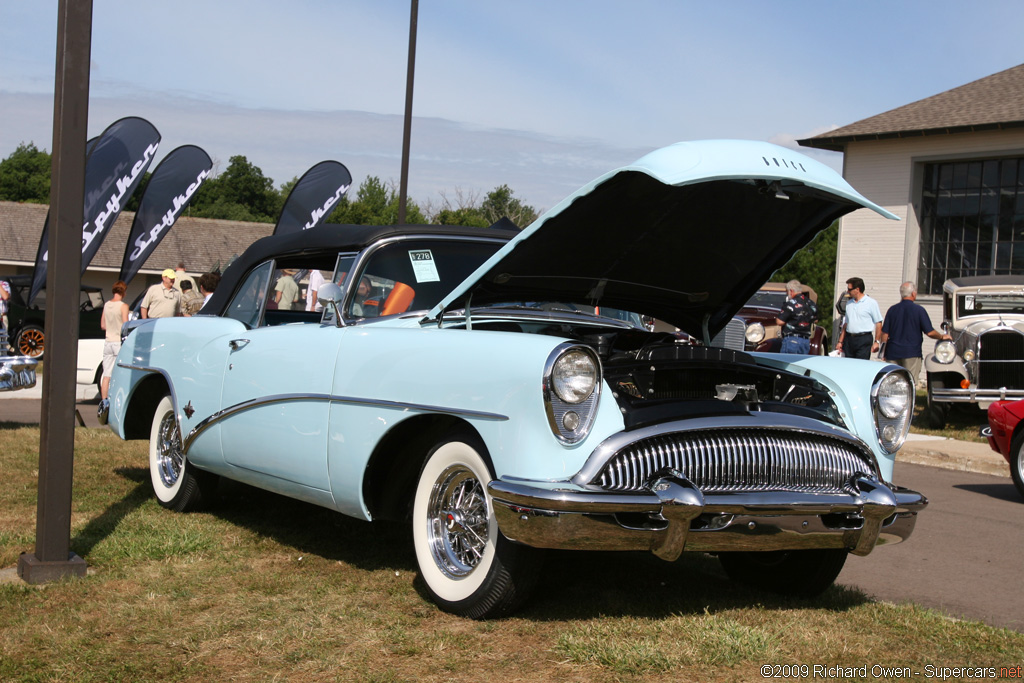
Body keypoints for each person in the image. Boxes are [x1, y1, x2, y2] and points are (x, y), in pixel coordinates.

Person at [881, 281, 952, 381]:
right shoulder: (919, 310)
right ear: (913, 293)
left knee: (893, 381)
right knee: (910, 380)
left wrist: (883, 351)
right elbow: (930, 332)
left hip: (893, 352)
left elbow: (885, 334)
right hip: (911, 352)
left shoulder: (892, 310)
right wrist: (941, 336)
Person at [836, 277, 882, 360]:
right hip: (849, 339)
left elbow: (878, 322)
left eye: (849, 289)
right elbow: (846, 323)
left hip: (863, 338)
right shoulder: (849, 304)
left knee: (861, 364)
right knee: (849, 364)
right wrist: (840, 341)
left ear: (857, 289)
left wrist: (877, 341)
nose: (847, 291)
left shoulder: (871, 303)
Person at [99, 280, 130, 403]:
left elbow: (103, 325)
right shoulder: (123, 306)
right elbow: (125, 325)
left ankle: (104, 401)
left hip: (108, 341)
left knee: (106, 374)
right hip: (118, 341)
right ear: (124, 292)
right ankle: (118, 400)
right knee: (119, 372)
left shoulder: (107, 305)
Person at [776, 279, 818, 354]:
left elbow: (779, 322)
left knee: (787, 363)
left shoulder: (790, 303)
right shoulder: (811, 303)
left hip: (791, 340)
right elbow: (815, 320)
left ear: (791, 291)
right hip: (805, 341)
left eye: (787, 291)